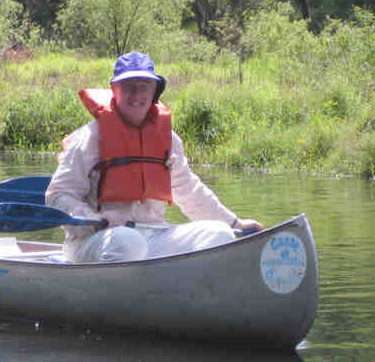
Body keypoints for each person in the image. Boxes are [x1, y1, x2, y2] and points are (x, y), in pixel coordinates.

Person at [46, 51, 263, 263]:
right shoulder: (90, 138)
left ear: (155, 91)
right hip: (93, 240)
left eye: (144, 87)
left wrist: (234, 222)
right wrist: (95, 220)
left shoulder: (169, 140)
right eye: (128, 86)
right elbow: (57, 196)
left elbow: (190, 191)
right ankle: (115, 296)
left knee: (220, 234)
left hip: (151, 236)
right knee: (127, 242)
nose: (137, 95)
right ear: (114, 89)